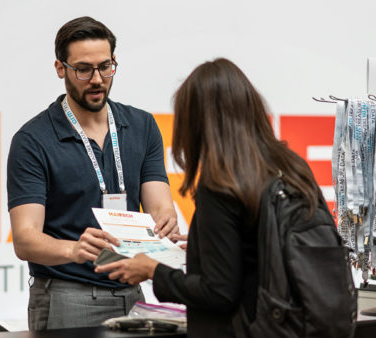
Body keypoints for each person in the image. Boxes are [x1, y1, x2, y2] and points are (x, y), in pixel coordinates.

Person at [95, 58, 328, 337]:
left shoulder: (221, 183)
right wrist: (202, 248)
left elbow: (218, 293)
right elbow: (265, 248)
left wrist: (153, 271)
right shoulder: (292, 165)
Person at [7, 16, 178, 330]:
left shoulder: (142, 126)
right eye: (83, 69)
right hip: (66, 295)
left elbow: (160, 205)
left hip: (132, 290)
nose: (97, 79)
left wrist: (166, 220)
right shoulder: (33, 140)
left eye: (105, 66)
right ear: (61, 68)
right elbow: (25, 239)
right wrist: (73, 249)